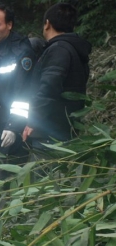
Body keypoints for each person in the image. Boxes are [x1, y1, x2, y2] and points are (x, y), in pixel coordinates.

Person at [0, 5, 35, 179]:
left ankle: (3, 206)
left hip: (7, 122)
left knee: (3, 176)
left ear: (9, 25)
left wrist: (13, 125)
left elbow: (24, 94)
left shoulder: (21, 52)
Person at [23, 3, 91, 149]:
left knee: (42, 171)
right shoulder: (74, 49)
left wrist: (32, 120)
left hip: (50, 133)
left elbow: (48, 88)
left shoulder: (58, 49)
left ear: (47, 23)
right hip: (66, 128)